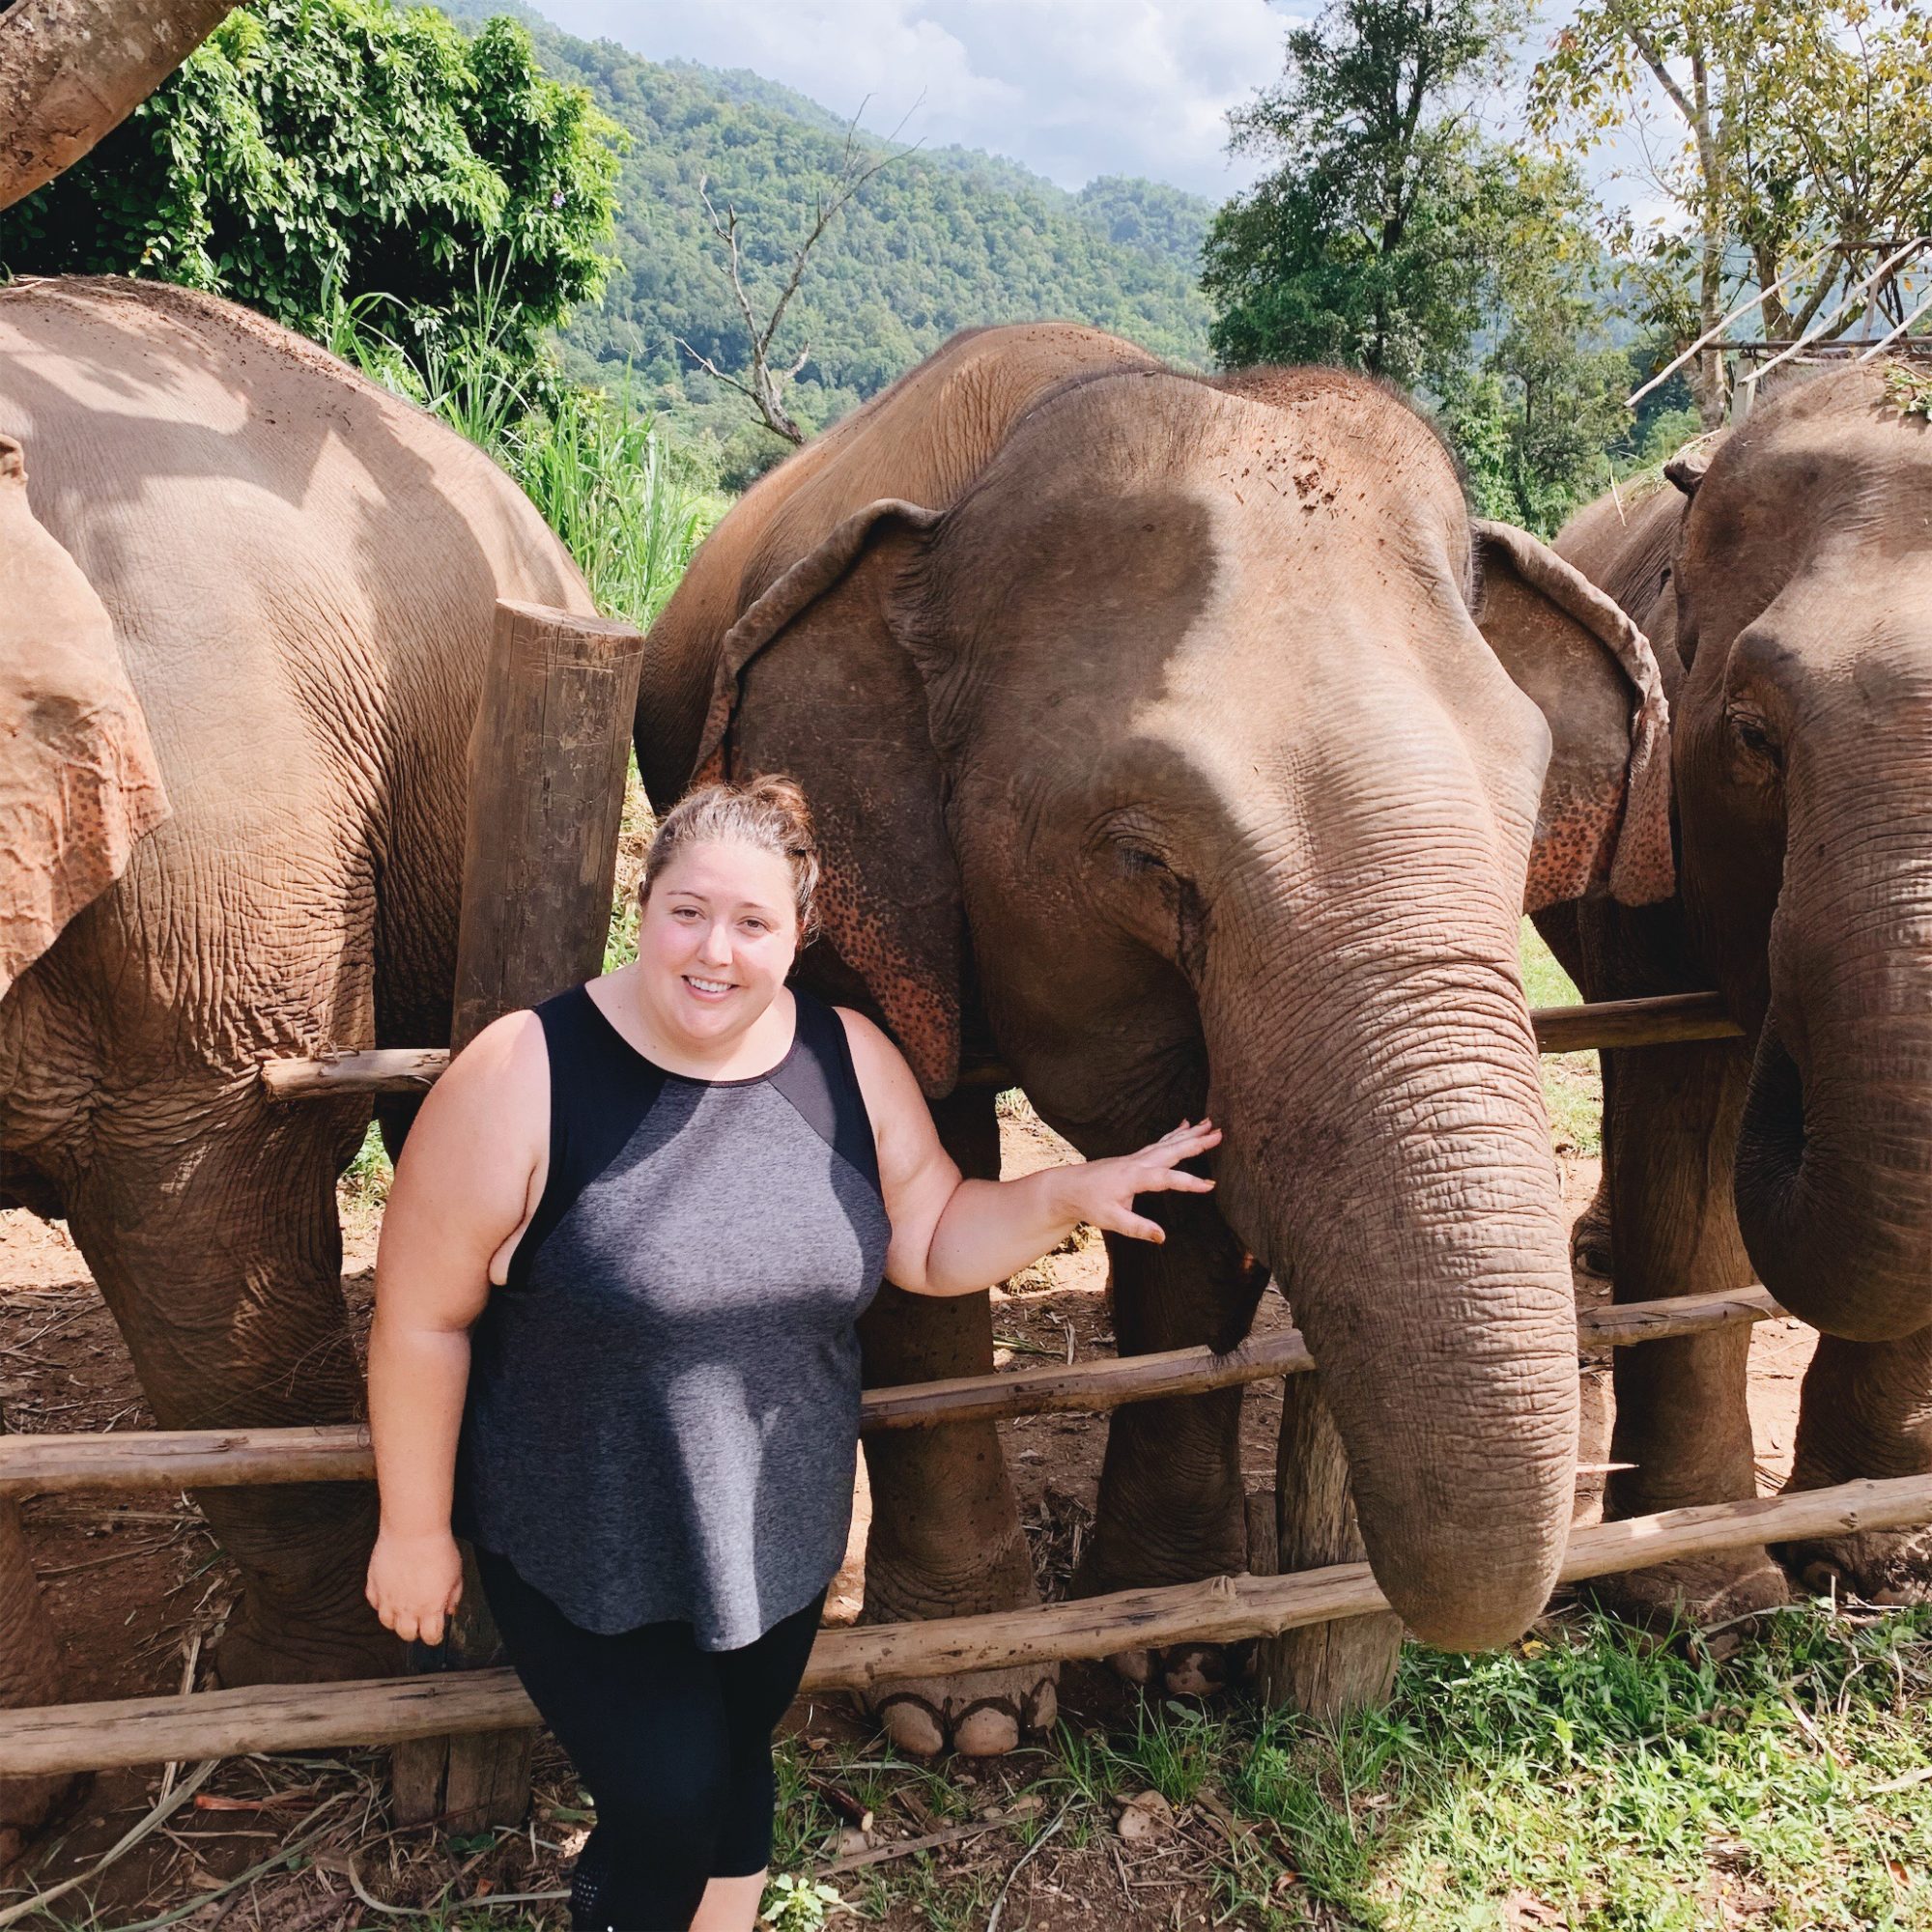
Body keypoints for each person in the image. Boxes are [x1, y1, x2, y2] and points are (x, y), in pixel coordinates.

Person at [363, 775, 1221, 1932]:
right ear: (644, 901)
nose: (713, 950)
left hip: (776, 1532)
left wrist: (1067, 1191)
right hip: (583, 1534)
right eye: (687, 911)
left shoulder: (843, 1058)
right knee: (665, 1800)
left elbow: (924, 1234)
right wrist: (412, 1527)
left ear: (797, 932)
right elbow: (421, 1317)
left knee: (733, 1777)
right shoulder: (523, 1072)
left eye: (752, 923)